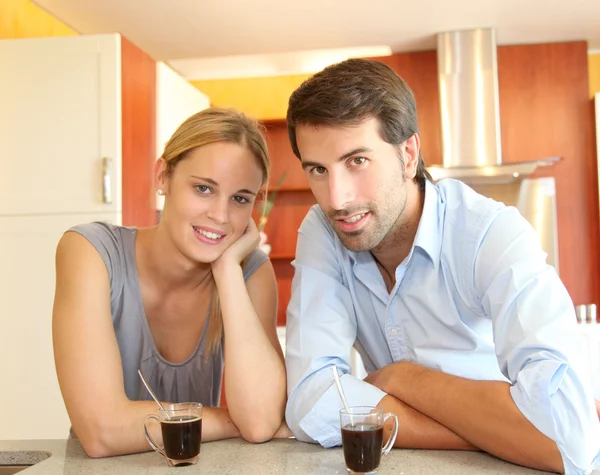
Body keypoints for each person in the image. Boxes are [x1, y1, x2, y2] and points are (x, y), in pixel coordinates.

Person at [284, 59, 600, 475]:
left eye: (357, 161)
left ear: (408, 154)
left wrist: (403, 380)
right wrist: (501, 435)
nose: (337, 198)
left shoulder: (491, 232)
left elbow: (572, 440)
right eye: (318, 170)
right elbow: (311, 399)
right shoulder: (323, 230)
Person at [52, 107, 287, 457]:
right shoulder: (90, 252)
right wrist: (233, 421)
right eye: (204, 189)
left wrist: (227, 272)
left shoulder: (249, 272)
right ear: (163, 176)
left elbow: (259, 421)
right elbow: (102, 432)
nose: (221, 216)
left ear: (257, 202)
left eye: (240, 198)